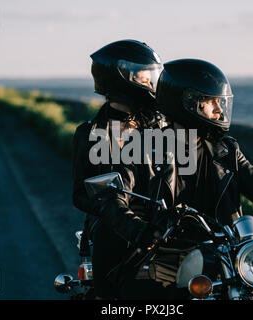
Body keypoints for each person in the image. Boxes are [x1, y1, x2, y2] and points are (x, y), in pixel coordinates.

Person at [97, 59, 253, 299]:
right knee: (148, 296)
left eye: (221, 103)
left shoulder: (226, 150)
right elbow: (113, 198)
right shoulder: (143, 147)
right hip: (163, 254)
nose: (220, 110)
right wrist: (139, 230)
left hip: (224, 253)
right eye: (212, 103)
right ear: (188, 103)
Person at [72, 39, 166, 299]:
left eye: (152, 76)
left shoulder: (157, 128)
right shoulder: (90, 133)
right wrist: (120, 217)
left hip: (159, 226)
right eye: (145, 76)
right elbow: (80, 193)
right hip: (114, 229)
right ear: (123, 78)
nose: (151, 82)